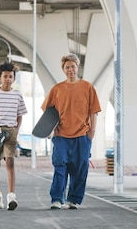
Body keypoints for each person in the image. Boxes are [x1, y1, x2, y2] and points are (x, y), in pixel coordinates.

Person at [41, 53, 101, 210]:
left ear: (77, 67)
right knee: (60, 168)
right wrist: (48, 129)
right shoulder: (57, 89)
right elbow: (48, 111)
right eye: (67, 67)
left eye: (72, 66)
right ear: (63, 69)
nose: (70, 70)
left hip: (82, 135)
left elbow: (94, 111)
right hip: (61, 136)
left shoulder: (87, 87)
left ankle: (73, 199)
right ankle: (56, 199)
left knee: (80, 169)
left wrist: (92, 132)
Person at [0, 62, 28, 210]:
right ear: (0, 78)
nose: (8, 79)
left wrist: (16, 129)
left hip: (11, 131)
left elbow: (20, 114)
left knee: (10, 162)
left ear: (14, 78)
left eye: (10, 76)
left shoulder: (17, 95)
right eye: (5, 76)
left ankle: (11, 195)